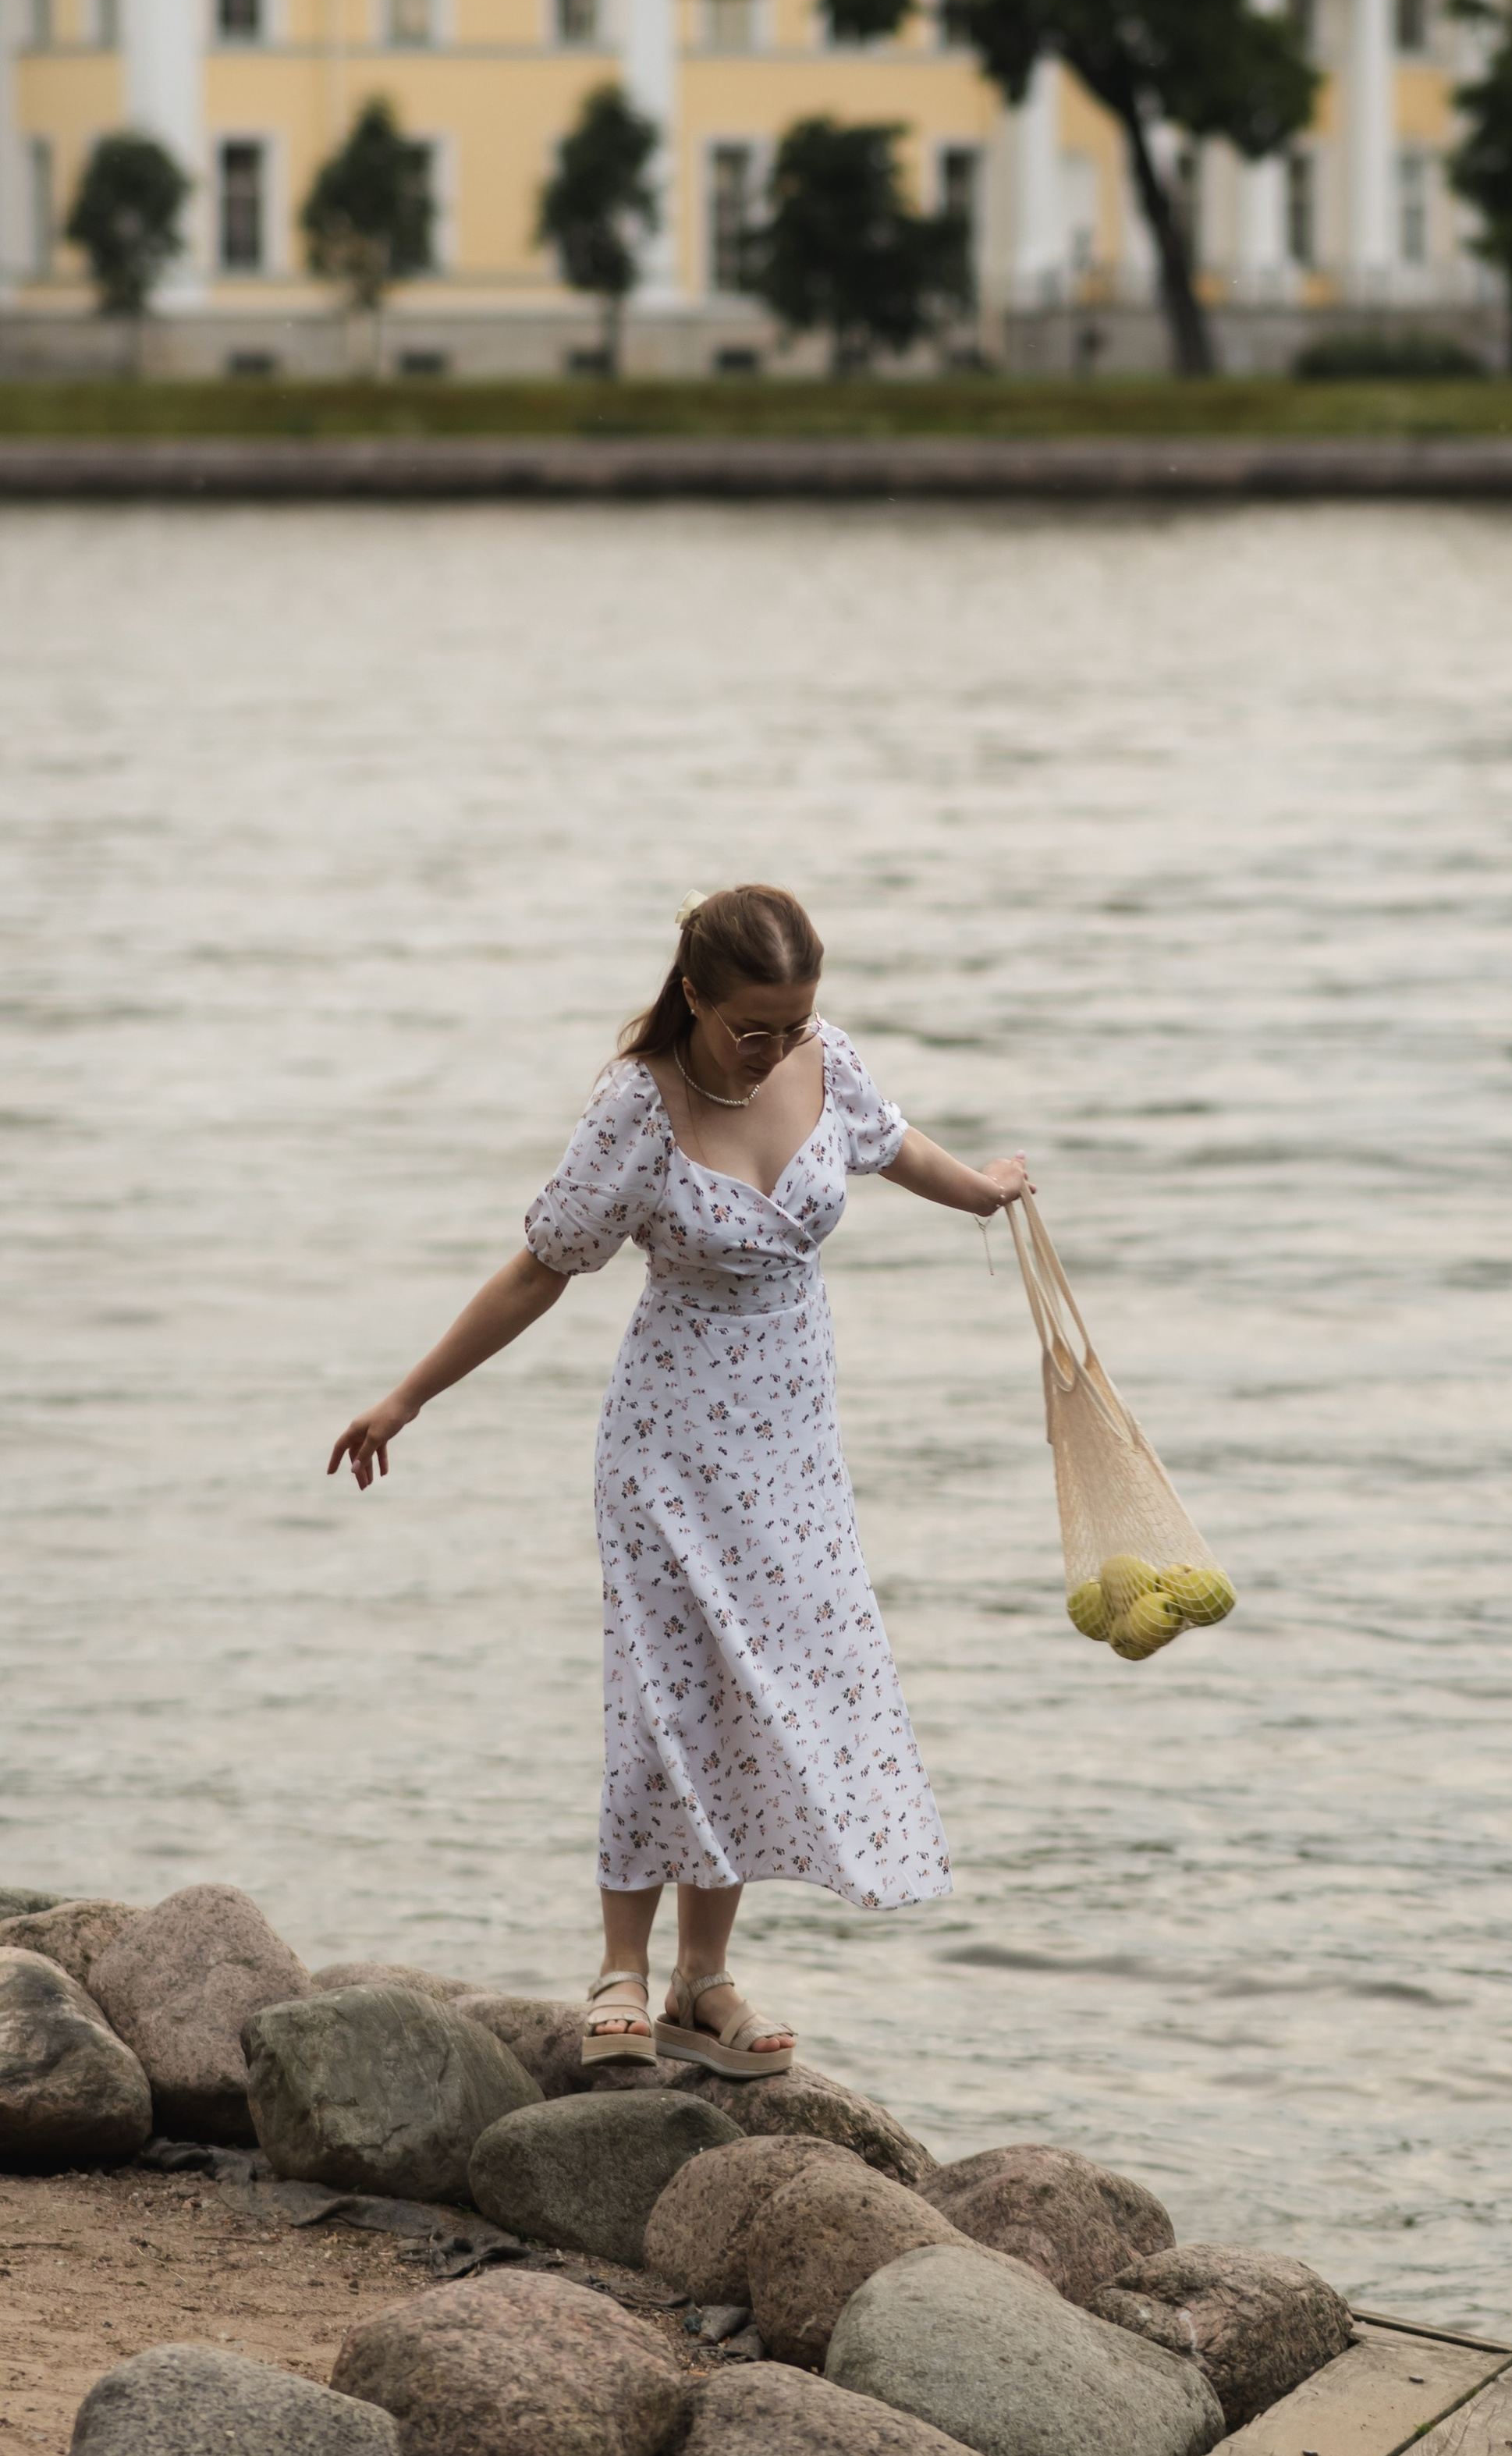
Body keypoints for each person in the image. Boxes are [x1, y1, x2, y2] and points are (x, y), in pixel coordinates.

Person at [328, 883, 1029, 2074]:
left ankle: (705, 1982)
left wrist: (983, 1190)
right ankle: (621, 1966)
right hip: (668, 1440)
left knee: (755, 1690)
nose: (776, 1045)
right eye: (753, 1024)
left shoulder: (825, 1058)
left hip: (794, 1438)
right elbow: (541, 1267)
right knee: (664, 1688)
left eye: (796, 1021)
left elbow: (889, 1140)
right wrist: (408, 1394)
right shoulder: (635, 1108)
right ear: (695, 995)